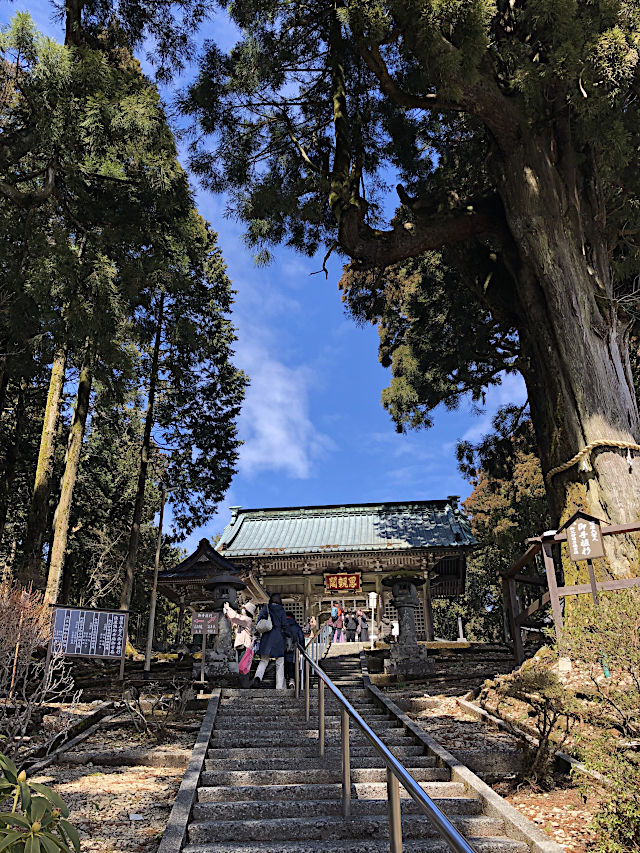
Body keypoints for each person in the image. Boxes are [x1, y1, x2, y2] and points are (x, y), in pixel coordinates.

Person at [252, 593, 290, 690]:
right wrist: (288, 635)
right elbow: (285, 625)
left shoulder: (265, 608)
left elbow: (259, 622)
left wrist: (256, 634)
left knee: (264, 660)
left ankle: (258, 677)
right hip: (278, 638)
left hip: (267, 638)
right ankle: (279, 687)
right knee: (280, 662)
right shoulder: (281, 610)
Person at [223, 600, 256, 688]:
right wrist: (227, 614)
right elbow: (233, 620)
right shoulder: (245, 621)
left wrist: (228, 608)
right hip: (242, 646)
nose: (242, 610)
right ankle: (244, 685)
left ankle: (244, 686)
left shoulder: (247, 619)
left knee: (243, 667)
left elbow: (235, 617)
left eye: (244, 609)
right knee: (242, 667)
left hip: (245, 646)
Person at [284, 610, 305, 688]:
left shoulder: (281, 625)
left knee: (283, 665)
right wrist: (302, 649)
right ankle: (292, 681)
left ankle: (282, 683)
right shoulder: (296, 626)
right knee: (292, 664)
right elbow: (301, 638)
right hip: (294, 649)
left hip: (282, 650)